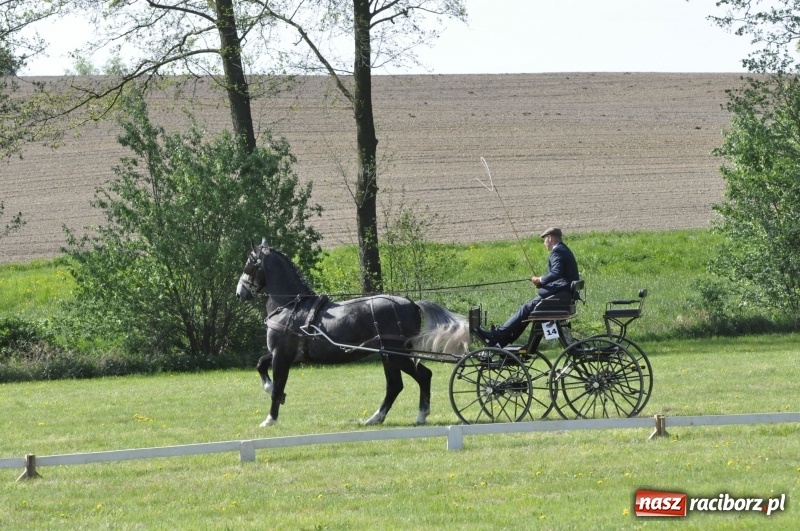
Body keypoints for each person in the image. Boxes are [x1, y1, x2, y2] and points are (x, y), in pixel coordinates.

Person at [475, 227, 580, 348]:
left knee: (526, 309)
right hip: (562, 295)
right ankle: (503, 338)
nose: (544, 243)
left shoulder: (558, 251)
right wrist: (542, 284)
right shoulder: (564, 249)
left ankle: (498, 335)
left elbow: (556, 273)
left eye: (544, 240)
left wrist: (540, 279)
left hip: (559, 297)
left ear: (550, 238)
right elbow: (560, 276)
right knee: (528, 310)